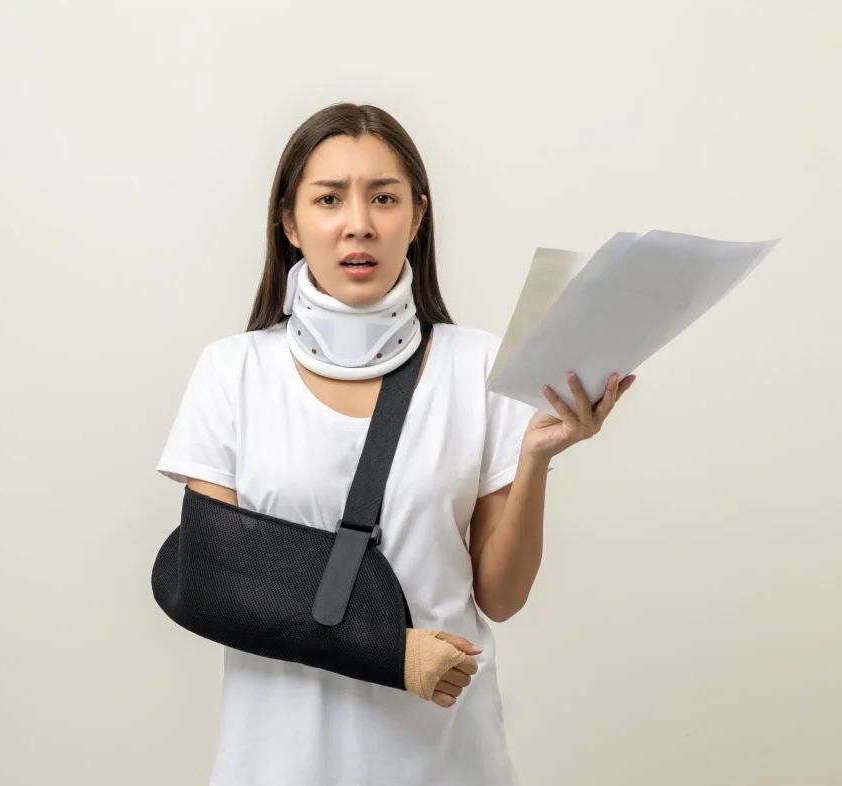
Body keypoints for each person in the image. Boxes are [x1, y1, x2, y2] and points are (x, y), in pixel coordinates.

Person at [156, 102, 634, 786]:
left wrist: (535, 458)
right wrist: (389, 654)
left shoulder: (483, 368)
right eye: (329, 199)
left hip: (443, 758)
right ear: (290, 222)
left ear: (417, 216)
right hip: (278, 762)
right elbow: (212, 587)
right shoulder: (233, 371)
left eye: (384, 197)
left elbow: (499, 596)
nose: (359, 223)